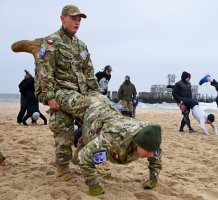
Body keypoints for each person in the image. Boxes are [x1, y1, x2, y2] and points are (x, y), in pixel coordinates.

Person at [30, 5, 161, 196]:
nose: (77, 22)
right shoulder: (52, 43)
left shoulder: (81, 46)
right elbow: (44, 73)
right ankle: (63, 168)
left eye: (79, 19)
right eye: (73, 18)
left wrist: (97, 94)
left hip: (82, 93)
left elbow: (89, 74)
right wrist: (49, 97)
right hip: (62, 92)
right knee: (64, 127)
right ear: (62, 19)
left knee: (100, 110)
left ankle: (83, 146)